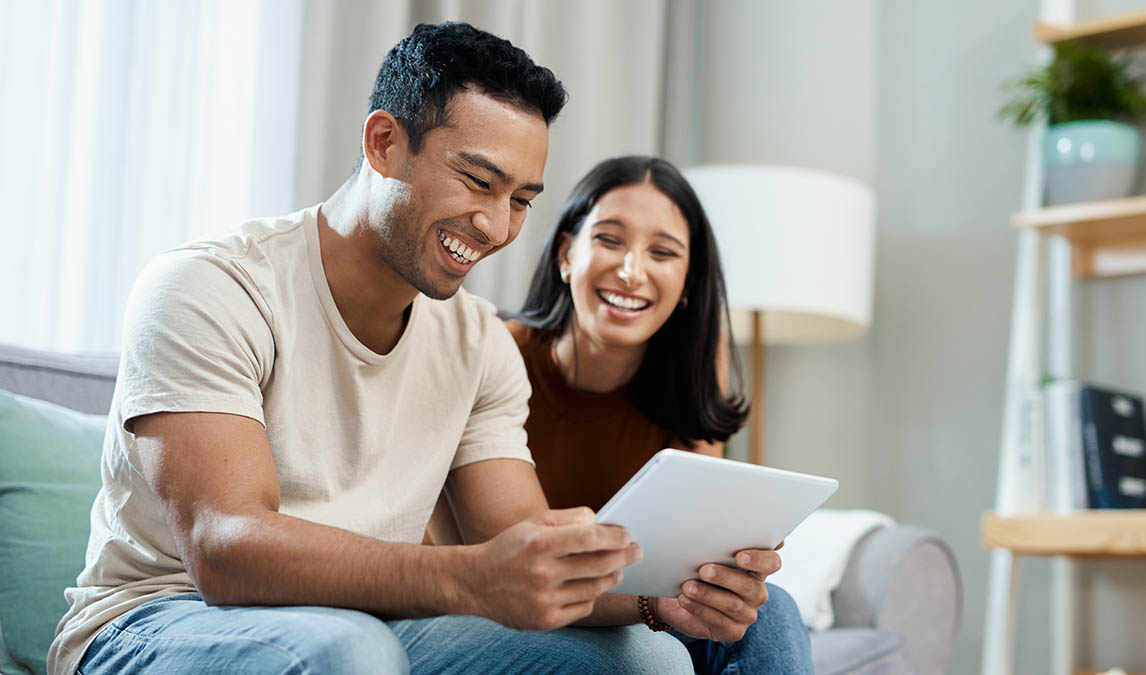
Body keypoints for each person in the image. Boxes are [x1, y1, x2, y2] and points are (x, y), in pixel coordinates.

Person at [49, 23, 782, 675]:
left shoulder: (477, 344)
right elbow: (223, 550)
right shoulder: (208, 287)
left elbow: (519, 549)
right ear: (384, 143)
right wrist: (468, 579)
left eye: (522, 199)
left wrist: (663, 601)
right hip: (158, 622)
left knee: (648, 660)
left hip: (376, 624)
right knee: (351, 652)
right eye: (477, 180)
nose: (496, 226)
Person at [509, 155, 816, 673]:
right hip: (530, 611)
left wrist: (731, 571)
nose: (632, 272)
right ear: (566, 254)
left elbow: (696, 551)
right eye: (609, 239)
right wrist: (654, 604)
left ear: (688, 280)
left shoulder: (696, 363)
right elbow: (512, 570)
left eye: (663, 252)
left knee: (774, 611)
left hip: (643, 606)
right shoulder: (499, 353)